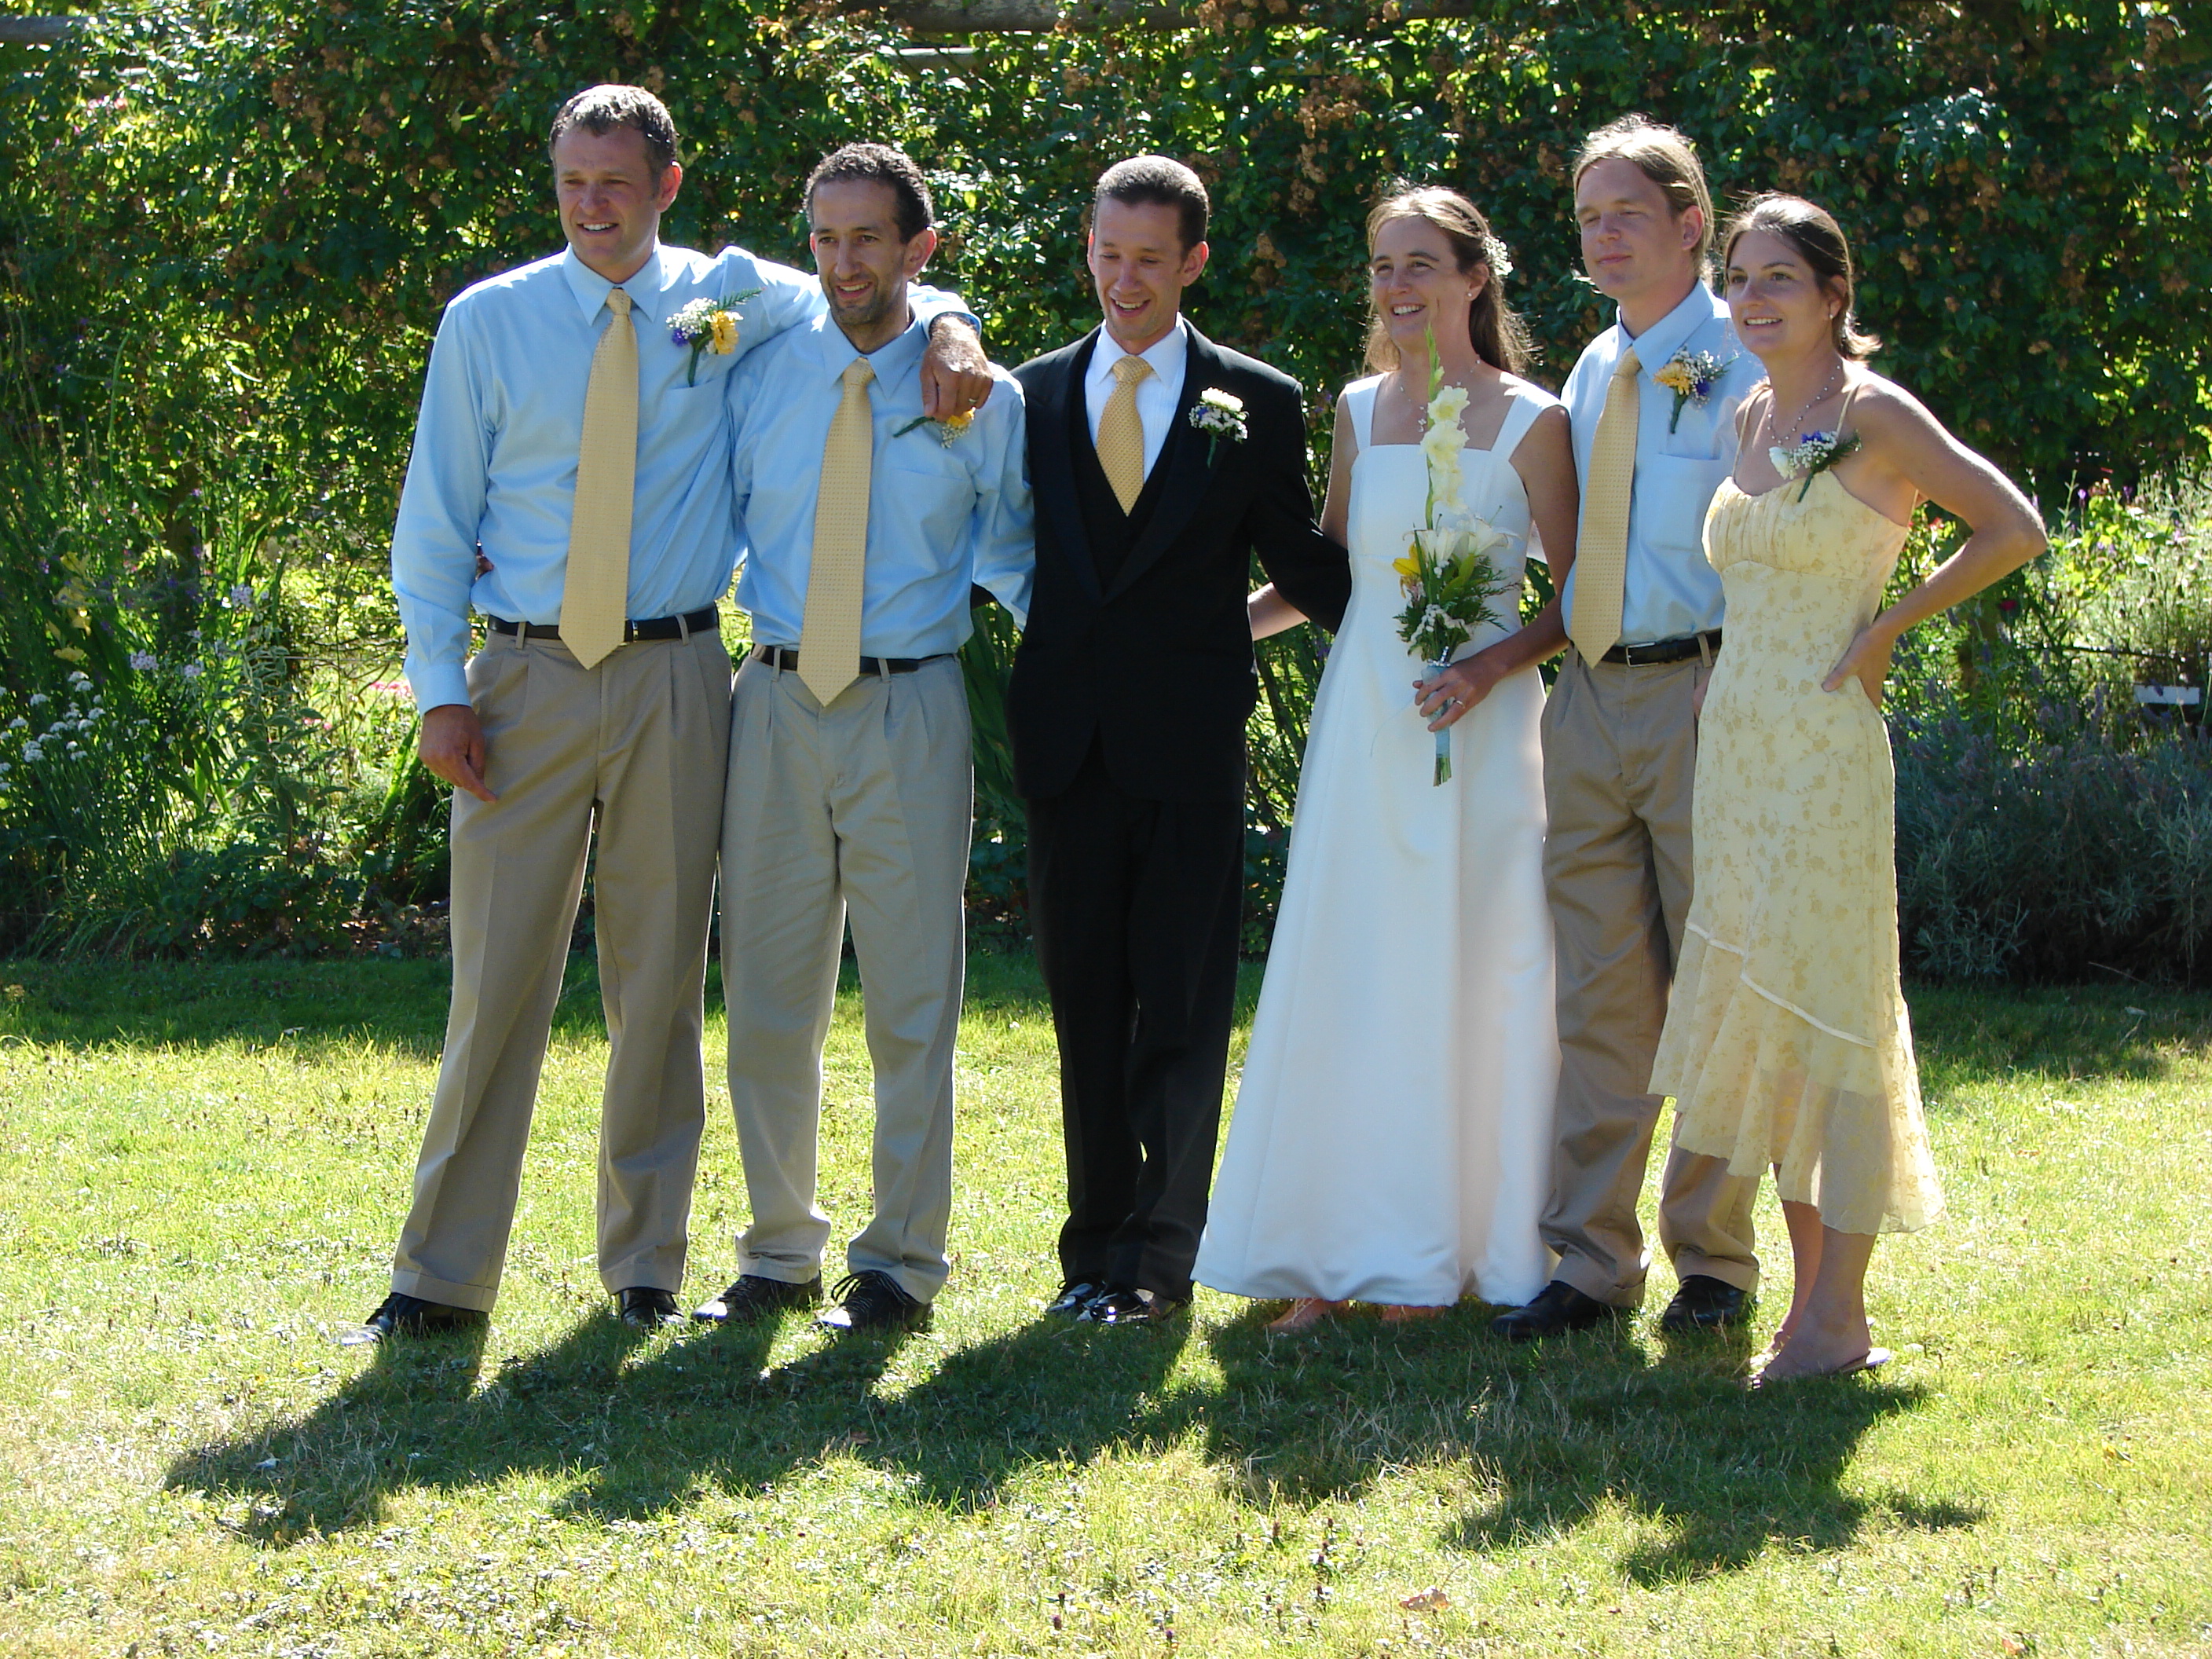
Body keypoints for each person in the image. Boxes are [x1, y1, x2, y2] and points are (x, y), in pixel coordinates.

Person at [368, 86, 990, 1340]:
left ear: (668, 183)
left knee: (658, 986)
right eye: (572, 183)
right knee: (496, 987)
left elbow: (877, 294)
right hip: (525, 679)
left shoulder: (737, 301)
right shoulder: (489, 322)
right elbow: (433, 522)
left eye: (616, 182)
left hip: (679, 676)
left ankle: (644, 1267)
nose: (592, 206)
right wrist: (441, 692)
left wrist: (955, 324)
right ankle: (438, 1279)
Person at [1650, 193, 2043, 1382]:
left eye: (1780, 278)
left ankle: (1838, 1311)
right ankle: (1818, 1306)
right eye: (1740, 278)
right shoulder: (1752, 412)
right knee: (1766, 1011)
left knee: (1831, 1011)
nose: (1754, 298)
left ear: (1834, 295)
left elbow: (2010, 526)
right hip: (1737, 749)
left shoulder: (1872, 411)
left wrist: (1886, 633)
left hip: (1823, 746)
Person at [1195, 187, 1575, 1331]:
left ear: (1474, 275)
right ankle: (1331, 1249)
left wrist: (1490, 666)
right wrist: (1199, 627)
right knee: (1353, 972)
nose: (1398, 287)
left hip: (1486, 729)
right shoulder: (1356, 409)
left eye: (1420, 264)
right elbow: (1337, 579)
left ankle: (1444, 1248)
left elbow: (1579, 601)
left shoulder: (1536, 421)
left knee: (1466, 966)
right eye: (1382, 266)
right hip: (1368, 720)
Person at [691, 144, 1033, 1335]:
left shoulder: (978, 392)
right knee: (768, 995)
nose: (844, 263)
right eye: (826, 238)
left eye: (870, 240)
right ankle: (778, 1252)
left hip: (912, 708)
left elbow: (1022, 553)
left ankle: (900, 1263)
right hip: (776, 703)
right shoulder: (758, 365)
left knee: (913, 1000)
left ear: (919, 249)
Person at [1009, 156, 1353, 1327]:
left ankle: (1161, 1259)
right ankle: (1091, 1250)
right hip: (1066, 748)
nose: (1125, 278)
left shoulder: (1255, 399)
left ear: (1193, 262)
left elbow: (1303, 566)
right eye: (1109, 253)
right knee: (1085, 1005)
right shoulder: (1034, 394)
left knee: (1185, 1005)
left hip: (1192, 752)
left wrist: (1443, 635)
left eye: (1150, 258)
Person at [1490, 115, 1771, 1343]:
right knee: (1600, 996)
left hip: (1707, 695)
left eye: (1628, 216)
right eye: (1589, 217)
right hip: (1589, 699)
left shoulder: (1750, 356)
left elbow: (1789, 538)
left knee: (1716, 982)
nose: (1603, 238)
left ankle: (1714, 1261)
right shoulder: (1592, 371)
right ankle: (1591, 1264)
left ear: (1690, 224)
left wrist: (1748, 666)